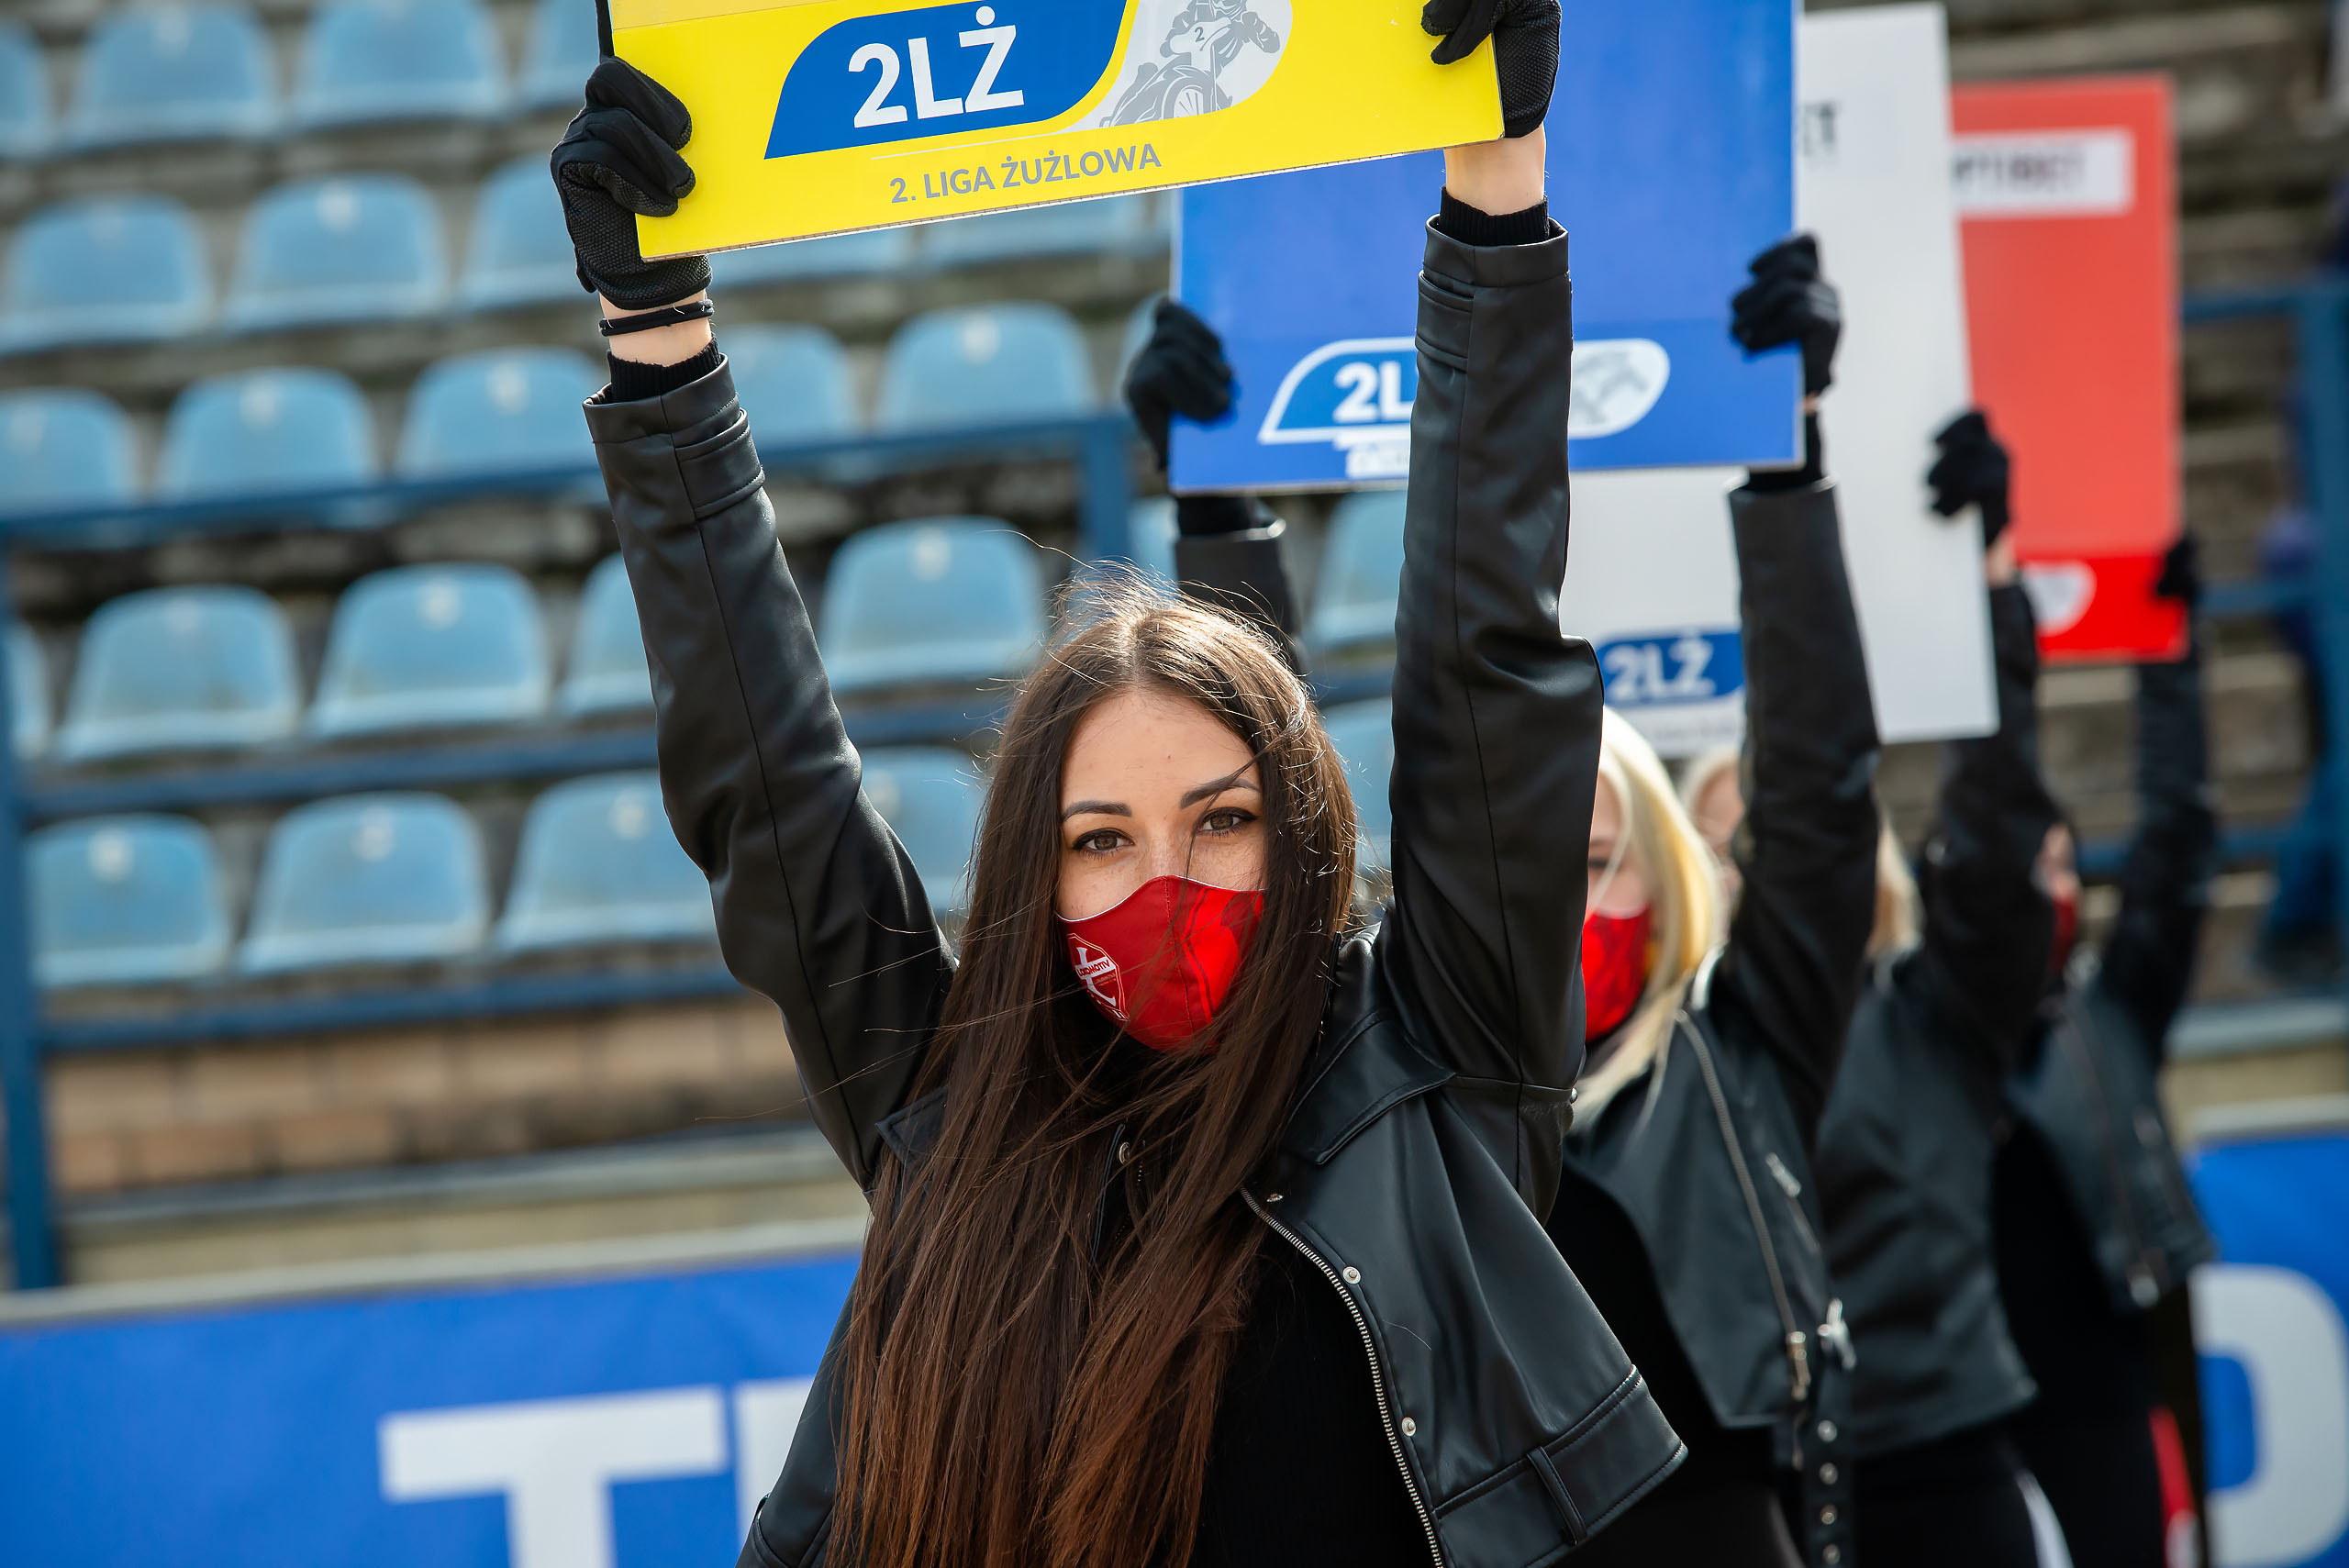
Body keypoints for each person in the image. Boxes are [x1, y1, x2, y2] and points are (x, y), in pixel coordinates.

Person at [551, 15, 1691, 1568]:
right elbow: (773, 791)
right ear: (1036, 871)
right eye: (1102, 838)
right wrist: (656, 343)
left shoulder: (1439, 1052)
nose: (1167, 874)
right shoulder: (945, 1104)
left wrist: (1496, 190)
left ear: (1299, 841)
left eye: (1221, 818)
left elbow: (1488, 660)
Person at [1544, 235, 1883, 1568]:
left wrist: (1785, 459)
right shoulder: (1422, 1087)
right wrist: (1227, 522)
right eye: (1533, 873)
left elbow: (1822, 789)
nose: (1566, 906)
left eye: (1596, 859)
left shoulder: (1743, 1049)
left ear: (1666, 874)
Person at [1799, 409, 2062, 1568]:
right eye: (1736, 842)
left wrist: (1989, 583)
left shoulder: (1937, 1011)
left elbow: (2000, 836)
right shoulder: (1687, 1049)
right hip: (1782, 1488)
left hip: (1952, 1469)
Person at [1993, 534, 2220, 1568]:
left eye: (2061, 859)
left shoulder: (2112, 1005)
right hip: (1971, 1415)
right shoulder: (1920, 1026)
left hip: (2107, 1395)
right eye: (2020, 861)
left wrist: (2171, 654)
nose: (2046, 882)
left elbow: (2176, 840)